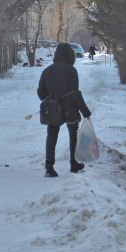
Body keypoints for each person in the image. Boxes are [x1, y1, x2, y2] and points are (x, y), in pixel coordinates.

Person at [37, 43, 92, 177]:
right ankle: (74, 164)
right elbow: (75, 93)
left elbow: (40, 92)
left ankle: (49, 167)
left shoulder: (47, 70)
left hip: (53, 109)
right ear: (70, 55)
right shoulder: (71, 70)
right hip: (70, 109)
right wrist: (85, 111)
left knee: (51, 136)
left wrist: (50, 99)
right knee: (73, 136)